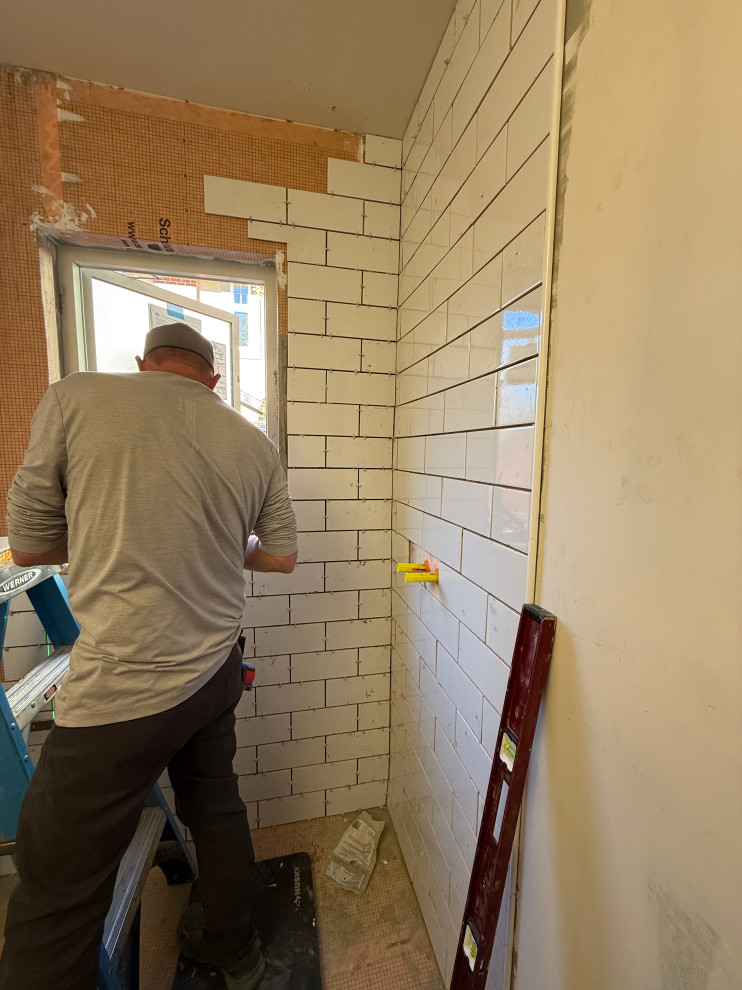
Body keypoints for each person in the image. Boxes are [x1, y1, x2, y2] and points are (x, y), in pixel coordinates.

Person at [0, 322, 297, 990]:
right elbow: (279, 556)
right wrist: (225, 548)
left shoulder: (74, 398)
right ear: (213, 379)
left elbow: (26, 548)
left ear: (143, 364)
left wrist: (110, 537)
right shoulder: (253, 441)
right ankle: (235, 950)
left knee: (56, 879)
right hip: (216, 666)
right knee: (215, 805)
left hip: (122, 686)